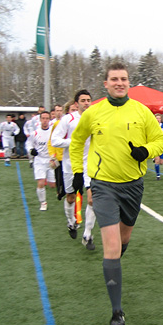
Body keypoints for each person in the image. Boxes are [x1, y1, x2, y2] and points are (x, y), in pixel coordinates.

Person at [70, 62, 163, 325]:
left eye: (123, 79)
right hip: (103, 186)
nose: (119, 83)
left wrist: (145, 151)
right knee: (111, 247)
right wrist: (78, 173)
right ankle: (116, 311)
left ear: (128, 82)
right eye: (114, 79)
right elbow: (77, 142)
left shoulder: (141, 111)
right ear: (106, 83)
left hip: (133, 186)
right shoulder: (93, 112)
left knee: (123, 241)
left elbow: (160, 141)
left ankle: (112, 266)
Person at [51, 90, 92, 239]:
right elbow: (55, 140)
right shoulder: (68, 119)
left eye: (88, 100)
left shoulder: (95, 118)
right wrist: (73, 142)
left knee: (92, 198)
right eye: (83, 100)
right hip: (70, 164)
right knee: (71, 197)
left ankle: (87, 234)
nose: (86, 103)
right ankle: (71, 222)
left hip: (90, 164)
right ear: (76, 103)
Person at [28, 111, 56, 210]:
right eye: (43, 118)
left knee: (53, 185)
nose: (45, 120)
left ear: (49, 119)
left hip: (51, 160)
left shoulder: (53, 132)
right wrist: (31, 150)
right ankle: (43, 202)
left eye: (47, 118)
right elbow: (29, 144)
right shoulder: (35, 133)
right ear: (40, 120)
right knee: (41, 182)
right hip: (39, 160)